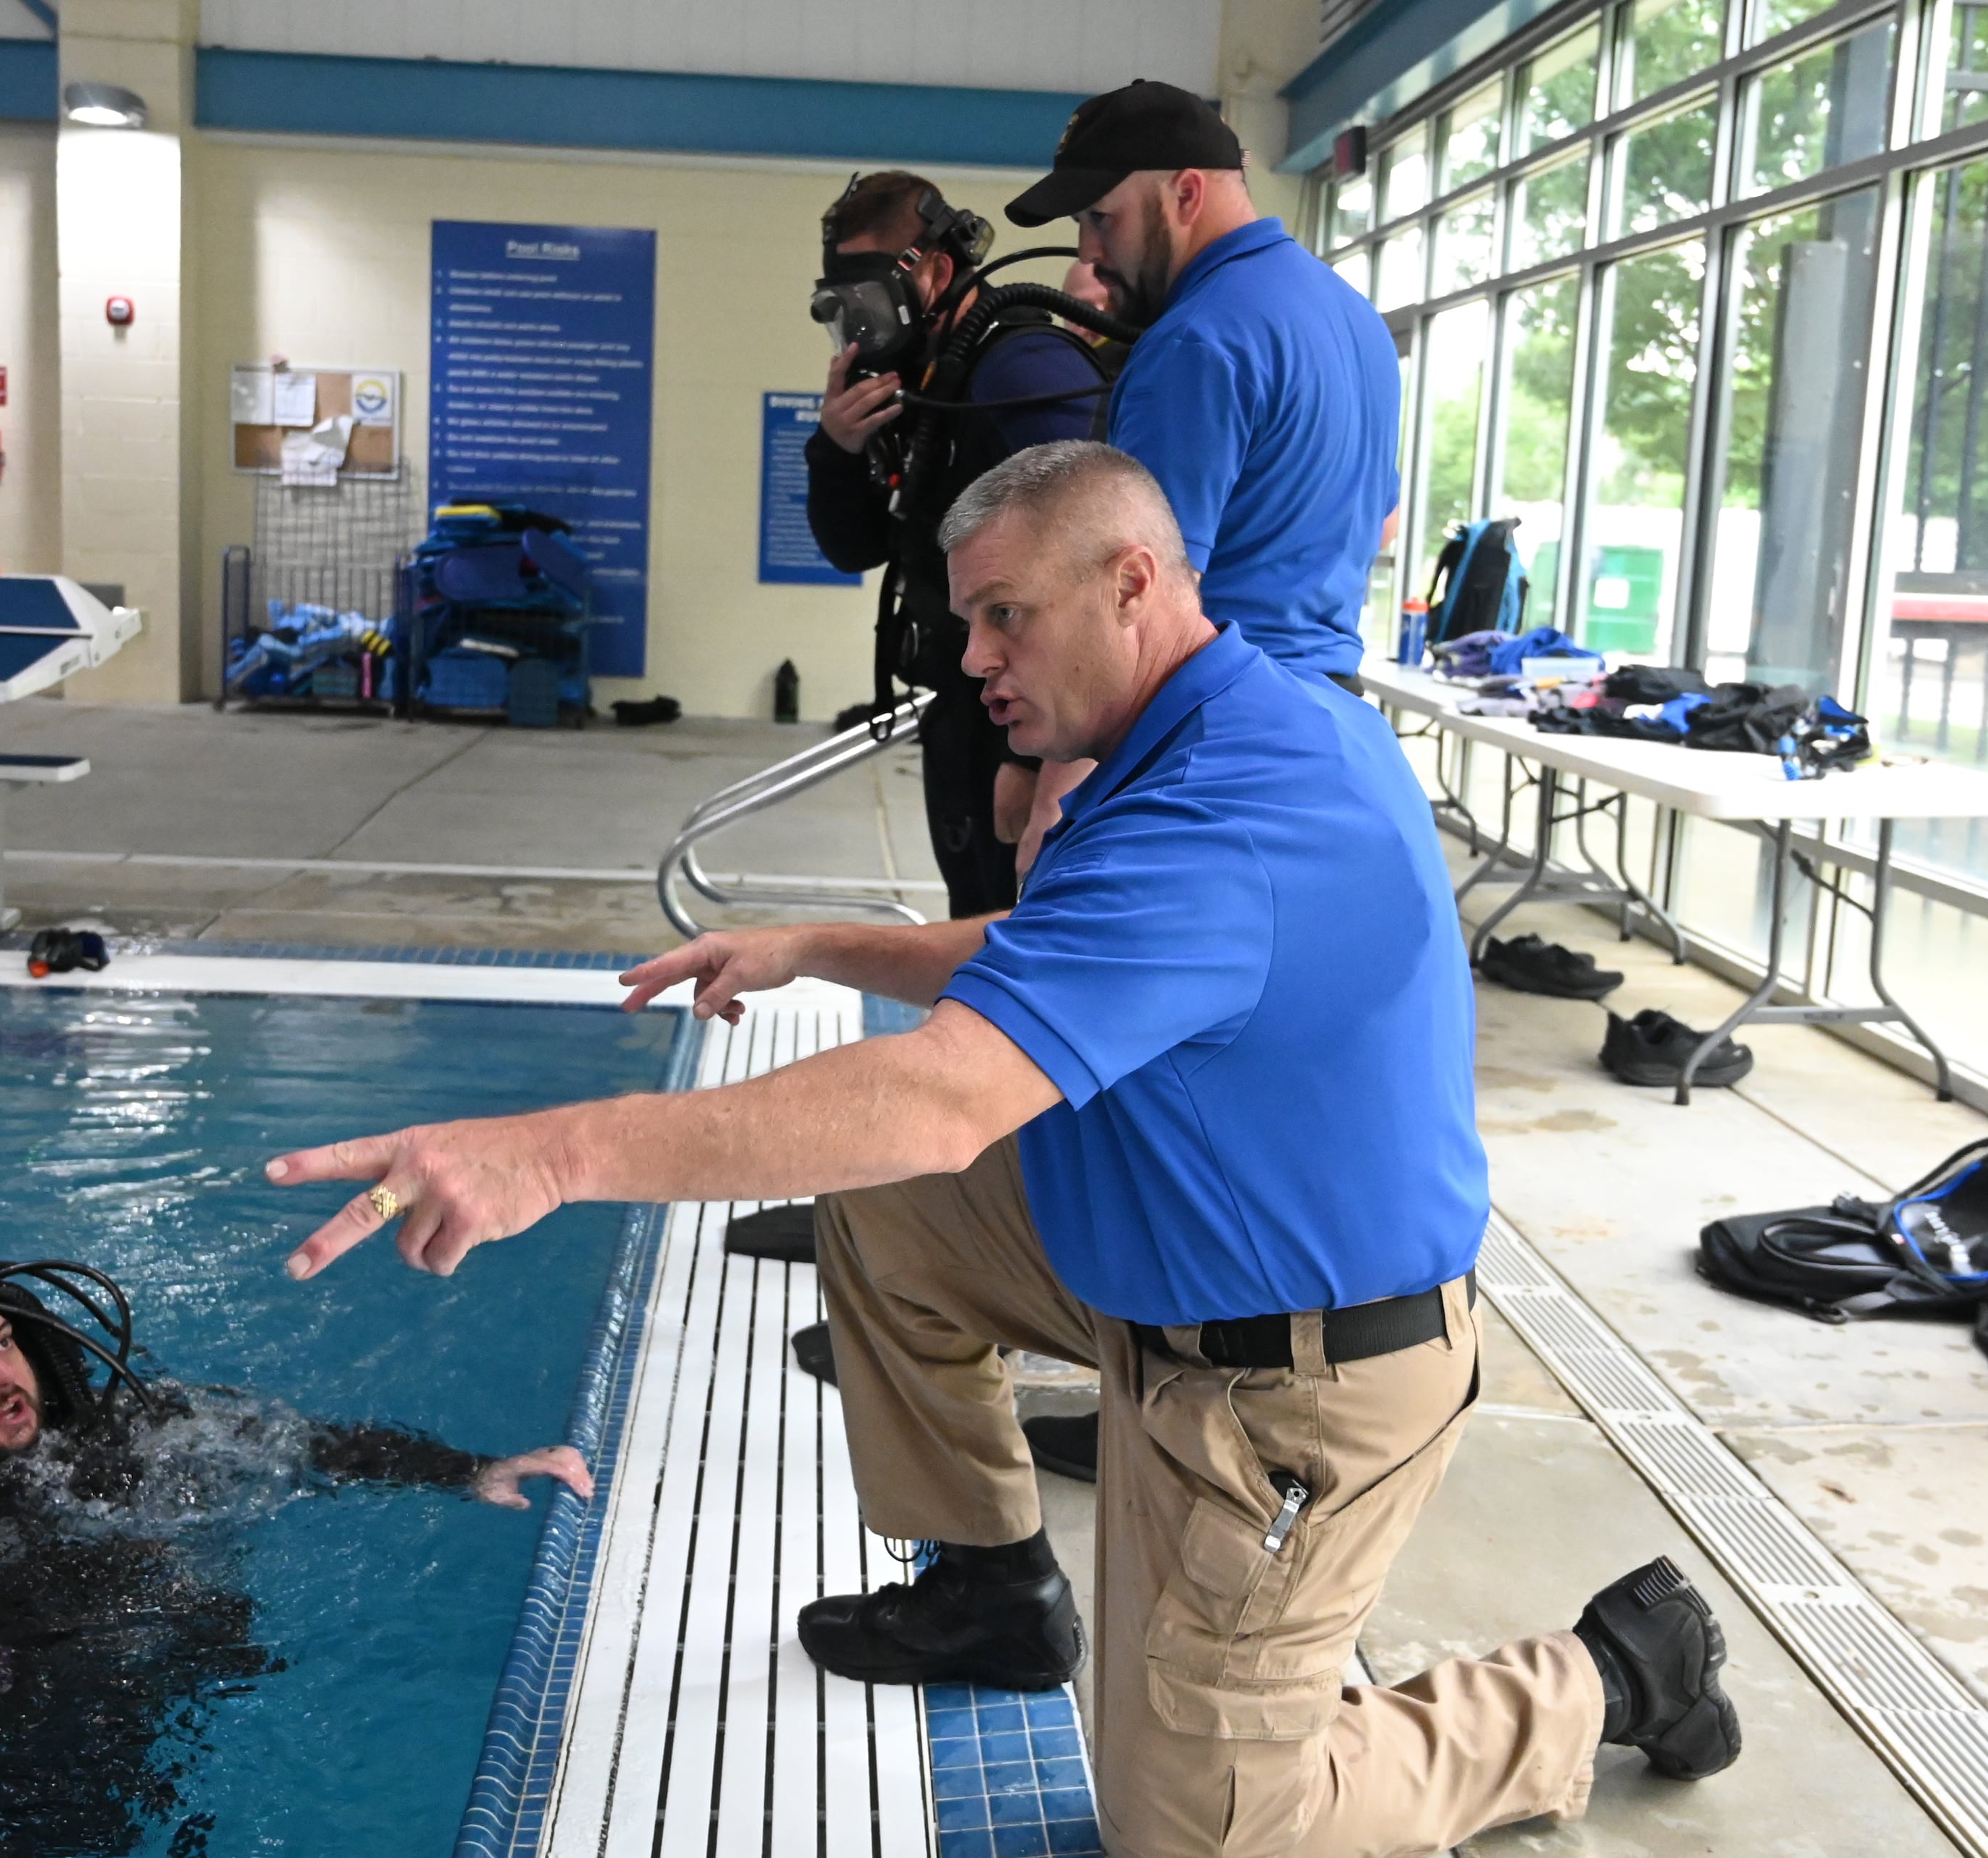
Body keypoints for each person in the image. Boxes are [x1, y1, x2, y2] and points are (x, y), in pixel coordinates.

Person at [264, 444, 1739, 1857]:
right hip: (1168, 1267)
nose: (973, 658)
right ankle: (991, 1587)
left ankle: (1610, 1676)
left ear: (1132, 581)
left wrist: (551, 1155)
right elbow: (1052, 951)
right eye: (970, 618)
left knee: (1210, 1830)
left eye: (1002, 616)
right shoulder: (1228, 722)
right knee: (894, 1215)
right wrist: (813, 946)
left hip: (1300, 1381)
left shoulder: (1225, 813)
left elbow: (941, 1098)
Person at [0, 1259, 587, 1855]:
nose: (5, 1377)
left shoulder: (105, 1436)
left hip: (49, 1683)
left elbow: (288, 1438)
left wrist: (467, 1468)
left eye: (2, 1345)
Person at [1012, 80, 1402, 693]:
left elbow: (1136, 598)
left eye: (1100, 217)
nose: (1088, 252)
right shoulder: (1357, 318)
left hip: (1218, 716)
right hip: (1327, 712)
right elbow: (1383, 525)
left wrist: (1057, 784)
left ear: (1186, 193)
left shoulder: (1194, 342)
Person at [803, 170, 1112, 919]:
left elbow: (1090, 570)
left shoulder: (1021, 371)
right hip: (969, 707)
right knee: (973, 926)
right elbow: (857, 547)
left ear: (937, 268)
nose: (863, 325)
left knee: (1011, 938)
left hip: (1026, 721)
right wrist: (838, 448)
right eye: (844, 305)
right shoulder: (929, 381)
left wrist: (1038, 760)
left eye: (872, 297)